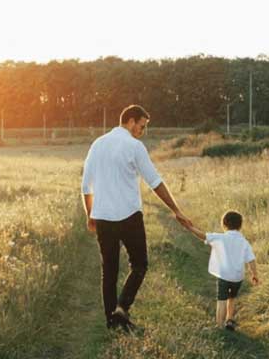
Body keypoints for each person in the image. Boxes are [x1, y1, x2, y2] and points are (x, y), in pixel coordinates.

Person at [81, 104, 193, 332]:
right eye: (142, 126)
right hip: (129, 217)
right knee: (140, 265)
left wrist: (90, 215)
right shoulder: (134, 146)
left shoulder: (97, 144)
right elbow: (155, 182)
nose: (143, 131)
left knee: (109, 270)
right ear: (131, 121)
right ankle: (122, 308)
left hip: (102, 217)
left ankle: (111, 321)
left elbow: (86, 185)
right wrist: (176, 209)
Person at [184, 210, 260, 331]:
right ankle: (229, 319)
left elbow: (203, 235)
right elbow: (251, 260)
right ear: (240, 226)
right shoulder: (244, 242)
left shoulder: (220, 237)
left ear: (224, 224)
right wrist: (254, 274)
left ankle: (219, 326)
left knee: (222, 300)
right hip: (237, 277)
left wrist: (190, 227)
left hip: (224, 275)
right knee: (232, 298)